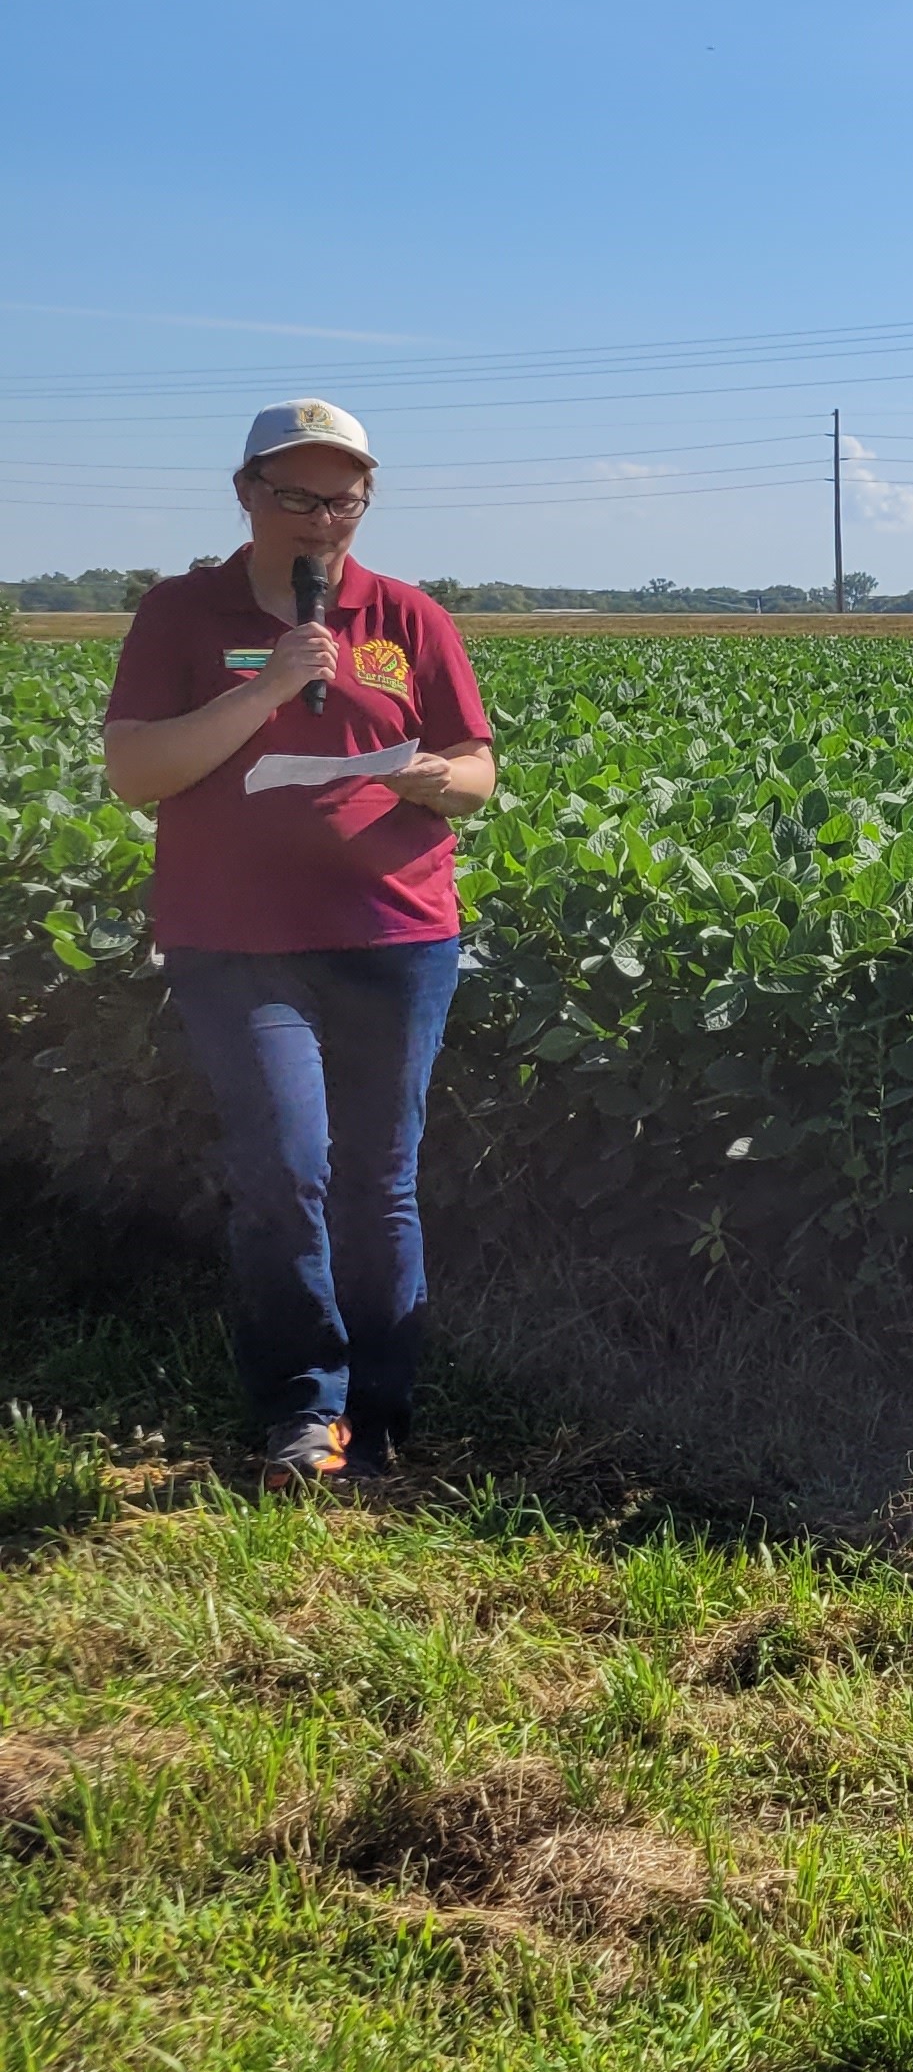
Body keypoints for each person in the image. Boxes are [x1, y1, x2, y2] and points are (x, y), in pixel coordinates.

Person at [102, 400, 497, 1486]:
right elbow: (138, 773)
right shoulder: (181, 613)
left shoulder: (409, 615)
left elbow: (475, 765)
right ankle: (301, 1405)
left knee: (380, 1176)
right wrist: (272, 684)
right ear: (246, 493)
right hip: (234, 939)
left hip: (396, 930)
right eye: (297, 494)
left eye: (344, 496)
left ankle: (376, 1414)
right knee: (284, 1169)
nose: (324, 518)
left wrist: (436, 779)